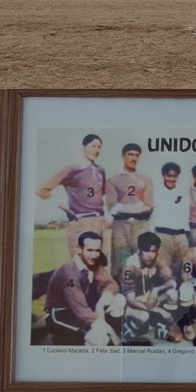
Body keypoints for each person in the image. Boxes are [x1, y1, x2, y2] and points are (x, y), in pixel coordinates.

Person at [44, 231, 124, 345]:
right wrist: (112, 334)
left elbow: (111, 284)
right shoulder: (69, 273)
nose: (94, 255)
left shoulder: (94, 264)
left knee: (119, 299)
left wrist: (101, 303)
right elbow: (83, 313)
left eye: (97, 250)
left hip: (82, 307)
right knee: (99, 338)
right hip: (60, 314)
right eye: (90, 250)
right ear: (79, 249)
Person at [37, 133, 108, 261]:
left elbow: (101, 196)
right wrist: (63, 206)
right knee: (81, 267)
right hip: (81, 223)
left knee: (102, 267)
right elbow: (42, 190)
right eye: (93, 146)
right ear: (83, 147)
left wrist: (107, 217)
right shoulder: (72, 168)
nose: (96, 150)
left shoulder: (100, 170)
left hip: (100, 222)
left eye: (99, 147)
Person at [119, 232, 179, 343]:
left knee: (173, 294)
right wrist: (159, 311)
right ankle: (132, 327)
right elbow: (130, 300)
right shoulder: (130, 266)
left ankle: (155, 324)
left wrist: (156, 290)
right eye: (146, 250)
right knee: (143, 317)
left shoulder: (157, 260)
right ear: (139, 250)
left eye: (153, 251)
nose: (150, 255)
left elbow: (172, 281)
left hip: (149, 298)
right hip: (133, 304)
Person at [106, 143, 154, 274]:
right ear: (123, 156)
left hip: (141, 225)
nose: (133, 158)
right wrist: (138, 207)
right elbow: (113, 207)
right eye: (130, 154)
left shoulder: (146, 179)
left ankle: (140, 292)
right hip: (120, 225)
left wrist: (124, 207)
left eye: (137, 155)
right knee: (121, 259)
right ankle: (121, 292)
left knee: (142, 259)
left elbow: (149, 206)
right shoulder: (113, 180)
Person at [152, 162, 190, 278]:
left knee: (181, 268)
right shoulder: (156, 191)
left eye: (175, 176)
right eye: (169, 176)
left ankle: (181, 292)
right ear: (163, 175)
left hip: (180, 235)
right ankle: (165, 292)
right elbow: (152, 215)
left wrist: (185, 233)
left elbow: (185, 213)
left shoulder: (183, 192)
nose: (172, 179)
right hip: (163, 234)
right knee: (164, 269)